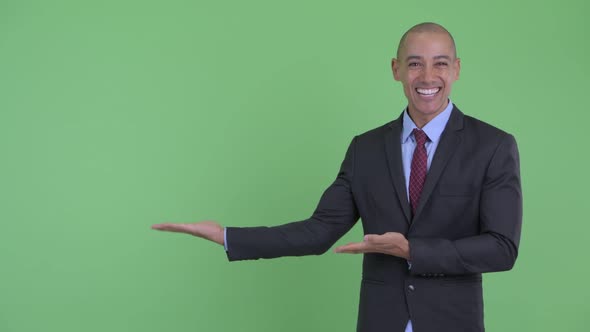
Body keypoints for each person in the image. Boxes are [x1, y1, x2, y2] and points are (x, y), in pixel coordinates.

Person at [152, 22, 522, 332]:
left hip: (453, 322)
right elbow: (318, 232)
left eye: (439, 64)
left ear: (456, 68)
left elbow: (502, 248)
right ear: (396, 69)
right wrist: (227, 236)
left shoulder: (492, 146)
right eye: (414, 64)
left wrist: (412, 250)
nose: (427, 77)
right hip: (380, 320)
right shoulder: (366, 149)